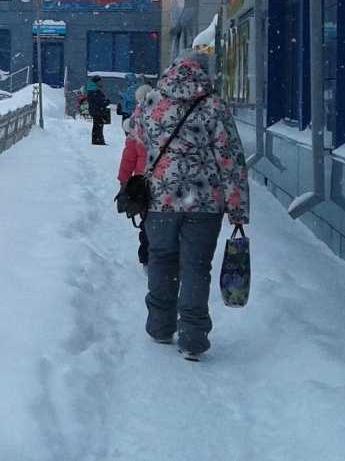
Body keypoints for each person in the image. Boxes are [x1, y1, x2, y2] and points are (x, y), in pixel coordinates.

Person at [131, 49, 249, 361]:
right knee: (196, 267)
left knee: (161, 259)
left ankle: (160, 326)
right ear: (204, 72)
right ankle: (193, 338)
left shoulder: (152, 101)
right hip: (205, 202)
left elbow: (135, 133)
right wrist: (237, 209)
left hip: (160, 199)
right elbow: (231, 160)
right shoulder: (214, 105)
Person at [118, 84, 157, 265]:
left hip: (142, 183)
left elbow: (129, 157)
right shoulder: (166, 118)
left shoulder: (137, 123)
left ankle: (147, 254)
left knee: (146, 219)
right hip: (163, 181)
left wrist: (124, 181)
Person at [84, 76, 110, 145]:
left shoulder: (92, 89)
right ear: (96, 82)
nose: (101, 83)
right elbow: (100, 102)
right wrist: (107, 102)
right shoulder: (95, 90)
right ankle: (98, 141)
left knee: (97, 125)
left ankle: (96, 140)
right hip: (97, 111)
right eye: (100, 81)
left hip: (95, 110)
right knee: (98, 126)